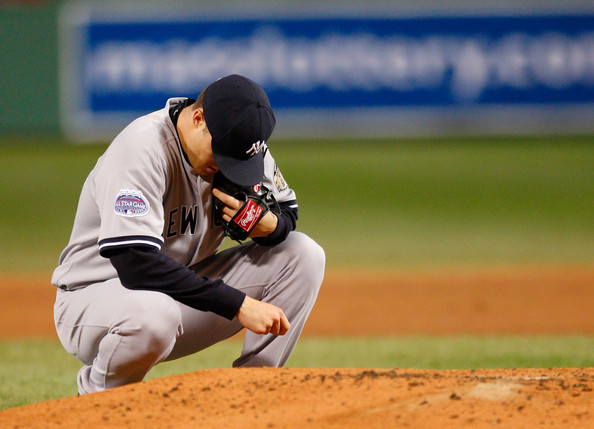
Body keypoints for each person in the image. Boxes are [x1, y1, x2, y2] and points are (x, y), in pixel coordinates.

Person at [51, 74, 325, 394]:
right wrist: (236, 304)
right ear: (198, 119)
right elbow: (135, 264)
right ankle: (97, 399)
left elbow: (287, 212)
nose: (226, 167)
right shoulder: (142, 149)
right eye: (222, 155)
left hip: (181, 292)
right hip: (95, 300)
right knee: (156, 313)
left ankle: (254, 394)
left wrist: (269, 226)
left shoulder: (240, 145)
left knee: (303, 253)